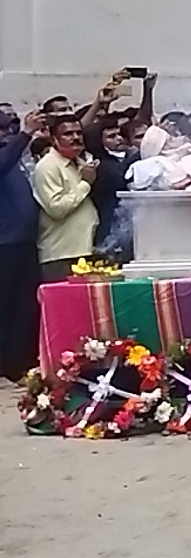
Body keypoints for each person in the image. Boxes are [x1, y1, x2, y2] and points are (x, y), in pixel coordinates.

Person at [0, 109, 41, 379]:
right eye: (4, 127)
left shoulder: (14, 154)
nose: (7, 132)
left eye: (10, 127)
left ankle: (20, 362)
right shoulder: (7, 155)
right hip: (4, 245)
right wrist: (25, 133)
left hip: (25, 243)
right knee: (5, 307)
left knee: (26, 305)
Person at [32, 115, 98, 282]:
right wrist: (85, 184)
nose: (75, 138)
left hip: (84, 251)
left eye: (78, 133)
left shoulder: (80, 163)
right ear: (54, 139)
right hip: (61, 255)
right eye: (68, 134)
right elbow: (56, 209)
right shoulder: (47, 166)